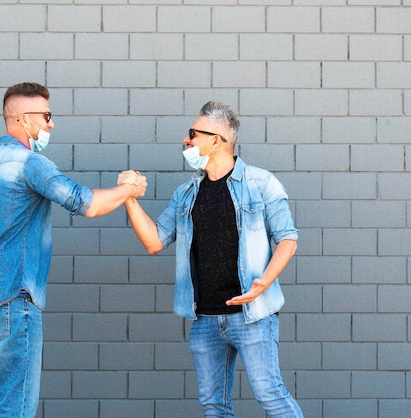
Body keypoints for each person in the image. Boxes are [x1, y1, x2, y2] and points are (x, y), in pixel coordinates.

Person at [0, 82, 146, 418]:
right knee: (15, 411)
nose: (50, 124)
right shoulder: (30, 164)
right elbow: (85, 204)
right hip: (14, 304)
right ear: (22, 120)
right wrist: (127, 188)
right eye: (46, 116)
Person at [120, 101, 303, 417]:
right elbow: (153, 241)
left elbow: (288, 238)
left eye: (192, 134)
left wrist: (265, 282)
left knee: (272, 397)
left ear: (217, 139)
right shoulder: (186, 194)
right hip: (204, 318)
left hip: (253, 314)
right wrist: (128, 198)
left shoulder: (261, 183)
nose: (186, 141)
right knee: (214, 406)